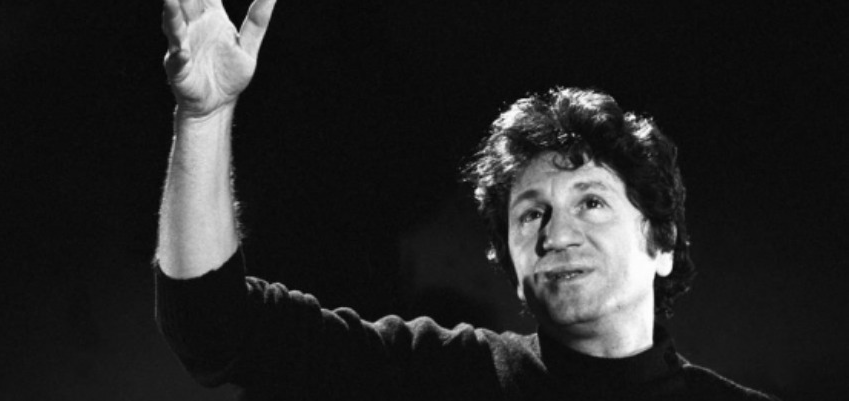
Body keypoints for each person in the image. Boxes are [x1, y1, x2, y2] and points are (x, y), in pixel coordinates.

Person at [154, 0, 779, 399]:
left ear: (661, 243)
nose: (556, 234)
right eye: (531, 213)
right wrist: (204, 119)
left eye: (591, 202)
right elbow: (213, 327)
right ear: (510, 262)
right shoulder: (445, 376)